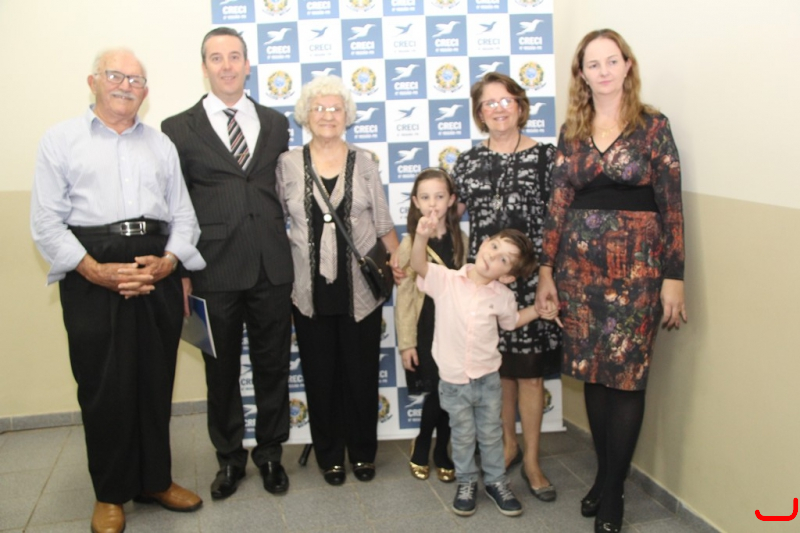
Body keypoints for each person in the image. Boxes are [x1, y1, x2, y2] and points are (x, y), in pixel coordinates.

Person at [30, 48, 205, 533]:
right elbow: (46, 222)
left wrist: (169, 260)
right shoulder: (60, 140)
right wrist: (94, 270)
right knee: (104, 386)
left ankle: (155, 481)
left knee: (154, 380)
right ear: (93, 81)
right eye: (116, 75)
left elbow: (183, 214)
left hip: (155, 269)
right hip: (92, 272)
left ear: (146, 92)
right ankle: (110, 493)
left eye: (136, 79)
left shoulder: (161, 145)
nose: (126, 85)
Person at [534, 29, 687, 533]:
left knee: (626, 378)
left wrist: (674, 277)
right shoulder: (572, 130)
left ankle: (615, 490)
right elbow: (557, 204)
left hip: (638, 273)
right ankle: (604, 476)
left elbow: (671, 205)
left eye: (611, 61)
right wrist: (546, 271)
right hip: (577, 274)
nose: (603, 71)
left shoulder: (653, 126)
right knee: (594, 375)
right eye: (593, 64)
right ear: (581, 74)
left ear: (627, 66)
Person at [161, 27, 293, 499]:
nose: (227, 65)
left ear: (247, 64)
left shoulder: (276, 122)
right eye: (216, 58)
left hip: (272, 268)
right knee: (220, 372)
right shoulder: (177, 128)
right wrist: (180, 272)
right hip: (211, 271)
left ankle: (271, 454)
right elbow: (173, 205)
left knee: (273, 365)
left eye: (234, 56)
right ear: (204, 67)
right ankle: (230, 459)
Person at [276, 75, 399, 486]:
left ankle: (362, 454)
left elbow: (382, 223)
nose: (327, 115)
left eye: (335, 108)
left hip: (359, 292)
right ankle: (329, 456)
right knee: (320, 377)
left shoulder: (364, 162)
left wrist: (401, 264)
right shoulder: (287, 163)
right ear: (305, 115)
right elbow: (277, 221)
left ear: (347, 115)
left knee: (361, 377)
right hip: (308, 291)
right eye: (319, 108)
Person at [453, 72, 561, 502]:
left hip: (532, 279)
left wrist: (547, 276)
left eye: (506, 100)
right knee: (497, 373)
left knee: (530, 375)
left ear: (520, 105)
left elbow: (556, 223)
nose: (498, 109)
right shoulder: (467, 162)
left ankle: (532, 460)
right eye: (488, 103)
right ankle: (507, 446)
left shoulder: (546, 157)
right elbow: (448, 219)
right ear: (479, 113)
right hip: (484, 282)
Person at [411, 219, 559, 518]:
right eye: (494, 247)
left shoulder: (503, 296)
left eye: (504, 259)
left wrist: (538, 311)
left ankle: (496, 482)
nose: (493, 256)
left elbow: (512, 322)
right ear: (484, 242)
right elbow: (418, 265)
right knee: (463, 436)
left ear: (507, 276)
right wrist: (421, 236)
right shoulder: (447, 280)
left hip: (489, 380)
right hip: (454, 382)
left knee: (491, 435)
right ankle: (466, 482)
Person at [394, 168, 467, 483]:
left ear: (451, 200)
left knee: (452, 391)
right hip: (425, 327)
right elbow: (405, 297)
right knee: (438, 389)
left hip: (454, 330)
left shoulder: (461, 240)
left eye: (439, 196)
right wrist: (407, 342)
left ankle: (441, 450)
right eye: (425, 197)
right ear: (415, 202)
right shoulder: (411, 241)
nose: (433, 203)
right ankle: (424, 444)